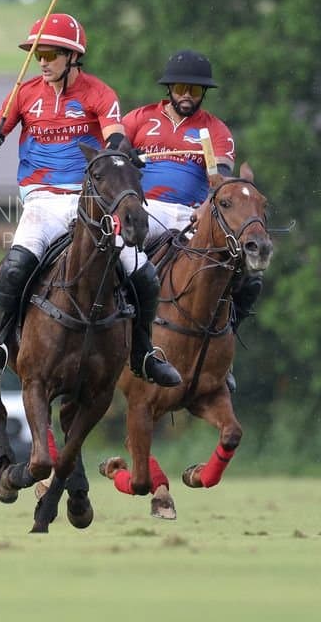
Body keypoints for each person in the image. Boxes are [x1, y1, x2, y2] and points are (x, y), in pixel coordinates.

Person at [0, 14, 181, 387]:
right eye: (39, 54)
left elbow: (116, 138)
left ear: (72, 57)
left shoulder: (99, 94)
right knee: (18, 264)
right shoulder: (25, 92)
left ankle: (143, 353)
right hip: (42, 199)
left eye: (50, 53)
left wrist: (116, 148)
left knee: (143, 275)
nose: (43, 61)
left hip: (92, 202)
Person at [121, 49, 264, 390]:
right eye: (181, 88)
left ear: (203, 94)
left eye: (195, 90)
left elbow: (222, 180)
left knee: (245, 278)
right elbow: (114, 161)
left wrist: (205, 207)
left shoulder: (215, 131)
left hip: (191, 214)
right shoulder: (139, 120)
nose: (187, 95)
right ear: (169, 88)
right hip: (146, 211)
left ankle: (221, 351)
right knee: (111, 259)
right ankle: (111, 338)